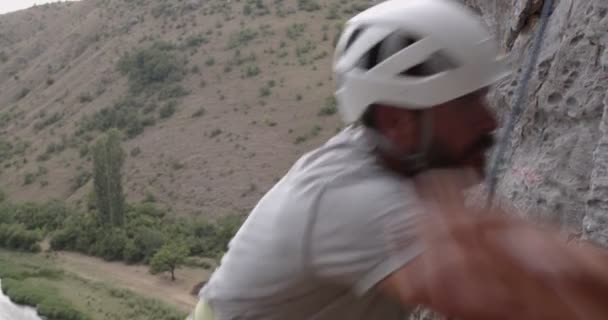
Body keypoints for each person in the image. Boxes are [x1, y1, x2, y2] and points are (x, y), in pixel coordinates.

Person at [192, 0, 608, 319]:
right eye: (465, 105)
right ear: (397, 121)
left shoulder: (407, 164)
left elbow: (517, 250)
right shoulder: (356, 204)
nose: (489, 120)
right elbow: (508, 299)